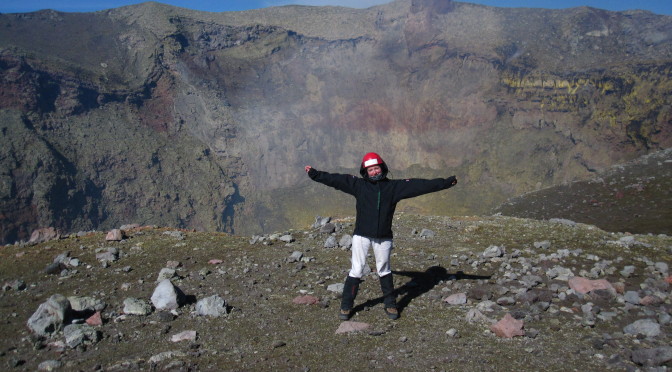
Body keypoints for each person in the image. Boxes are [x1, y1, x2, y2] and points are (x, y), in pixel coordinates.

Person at [304, 152, 457, 320]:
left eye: (376, 168)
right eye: (370, 170)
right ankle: (346, 306)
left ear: (382, 168)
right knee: (357, 269)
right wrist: (315, 174)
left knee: (384, 269)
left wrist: (446, 183)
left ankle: (390, 304)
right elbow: (336, 180)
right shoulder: (358, 185)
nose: (374, 172)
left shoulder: (393, 188)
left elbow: (420, 185)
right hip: (361, 236)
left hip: (383, 237)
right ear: (365, 172)